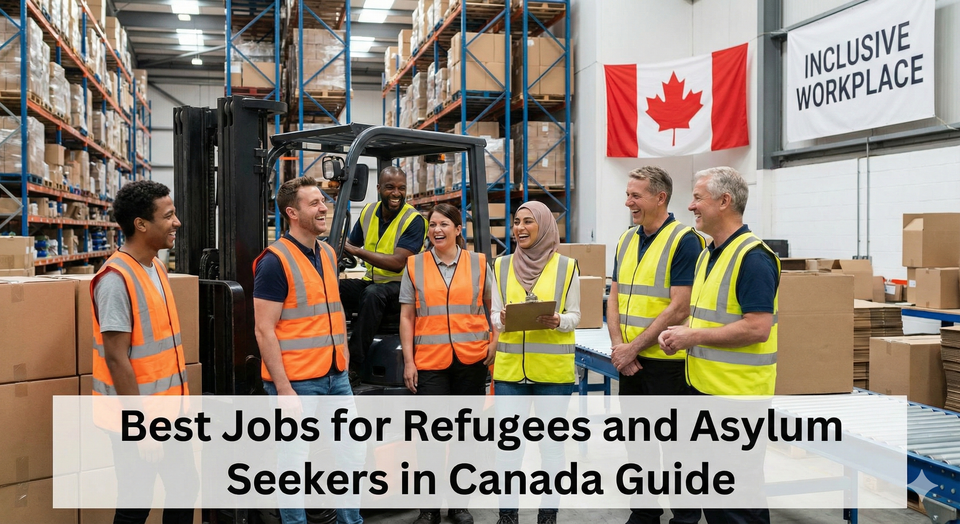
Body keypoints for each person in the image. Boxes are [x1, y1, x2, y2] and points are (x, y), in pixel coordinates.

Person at [659, 166, 780, 524]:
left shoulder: (753, 258)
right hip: (705, 391)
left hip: (737, 400)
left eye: (698, 197)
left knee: (735, 502)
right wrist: (682, 335)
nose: (691, 206)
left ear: (724, 201)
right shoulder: (707, 254)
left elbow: (758, 328)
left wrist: (691, 336)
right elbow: (711, 318)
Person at [253, 176, 362, 524]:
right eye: (314, 203)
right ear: (292, 212)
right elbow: (263, 328)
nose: (323, 207)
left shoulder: (327, 253)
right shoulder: (274, 261)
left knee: (351, 454)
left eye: (323, 201)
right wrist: (283, 389)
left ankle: (351, 521)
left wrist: (342, 364)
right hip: (297, 382)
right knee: (293, 465)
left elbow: (333, 311)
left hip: (335, 376)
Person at [91, 180, 197, 524]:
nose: (177, 222)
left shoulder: (156, 268)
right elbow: (116, 358)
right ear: (141, 224)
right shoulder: (115, 279)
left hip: (169, 413)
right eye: (168, 216)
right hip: (138, 417)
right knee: (136, 502)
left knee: (185, 489)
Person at [607, 167, 704, 524]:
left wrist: (635, 348)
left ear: (660, 198)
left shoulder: (684, 240)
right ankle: (645, 511)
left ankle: (685, 517)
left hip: (667, 363)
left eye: (636, 195)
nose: (628, 202)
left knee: (677, 446)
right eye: (628, 194)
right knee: (639, 444)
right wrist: (620, 348)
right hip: (630, 363)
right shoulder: (626, 239)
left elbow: (680, 305)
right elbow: (613, 298)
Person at [398, 203, 497, 524]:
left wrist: (494, 341)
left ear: (458, 229)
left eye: (443, 224)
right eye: (432, 225)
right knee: (430, 438)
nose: (436, 230)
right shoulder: (414, 265)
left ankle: (458, 503)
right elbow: (407, 316)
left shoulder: (480, 264)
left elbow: (492, 308)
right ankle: (429, 508)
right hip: (430, 363)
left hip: (472, 360)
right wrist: (409, 361)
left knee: (465, 435)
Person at [491, 200, 580, 524]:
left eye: (528, 222)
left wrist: (560, 320)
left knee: (552, 449)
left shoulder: (566, 267)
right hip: (510, 375)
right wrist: (500, 318)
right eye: (516, 222)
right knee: (508, 449)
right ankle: (507, 515)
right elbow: (493, 315)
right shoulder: (500, 266)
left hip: (552, 376)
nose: (520, 228)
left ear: (543, 225)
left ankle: (547, 515)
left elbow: (576, 315)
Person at [340, 166, 427, 384]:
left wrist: (355, 251)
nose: (396, 193)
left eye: (401, 188)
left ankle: (354, 366)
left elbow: (398, 264)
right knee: (333, 287)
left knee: (372, 294)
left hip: (404, 290)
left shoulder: (413, 220)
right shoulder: (368, 212)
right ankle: (333, 351)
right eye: (390, 187)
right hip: (374, 282)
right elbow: (351, 244)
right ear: (379, 188)